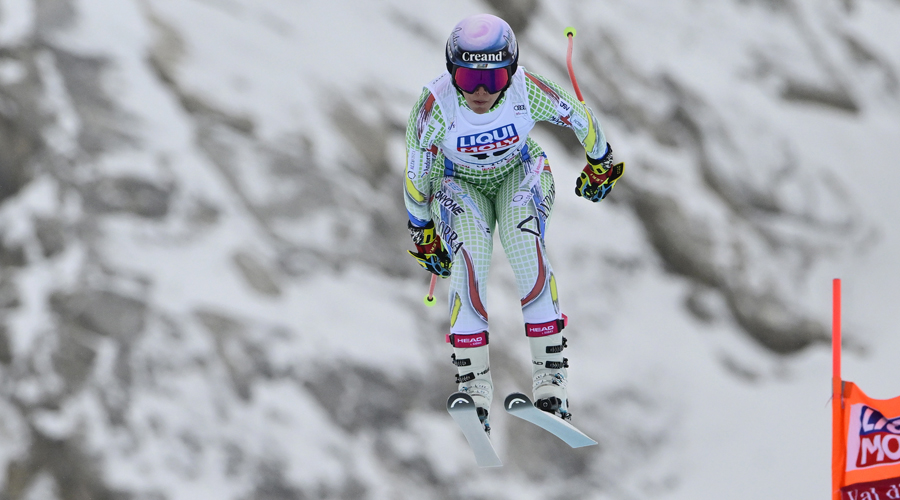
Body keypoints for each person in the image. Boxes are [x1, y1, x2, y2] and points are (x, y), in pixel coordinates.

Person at [403, 13, 623, 433]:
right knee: (471, 259)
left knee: (524, 245)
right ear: (452, 73)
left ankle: (550, 379)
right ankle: (474, 385)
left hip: (518, 172)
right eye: (468, 79)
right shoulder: (434, 105)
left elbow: (579, 117)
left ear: (511, 72)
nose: (482, 91)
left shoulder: (526, 90)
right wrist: (421, 228)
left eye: (495, 77)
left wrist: (601, 162)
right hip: (457, 182)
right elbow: (415, 174)